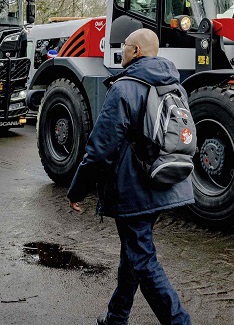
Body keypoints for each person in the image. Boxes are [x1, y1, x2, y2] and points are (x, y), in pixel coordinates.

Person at [67, 28, 194, 325]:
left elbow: (100, 150)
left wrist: (77, 190)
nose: (121, 49)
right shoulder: (176, 85)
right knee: (134, 253)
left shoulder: (125, 88)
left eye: (125, 45)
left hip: (135, 188)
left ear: (136, 51)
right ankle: (116, 317)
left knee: (143, 260)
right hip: (165, 180)